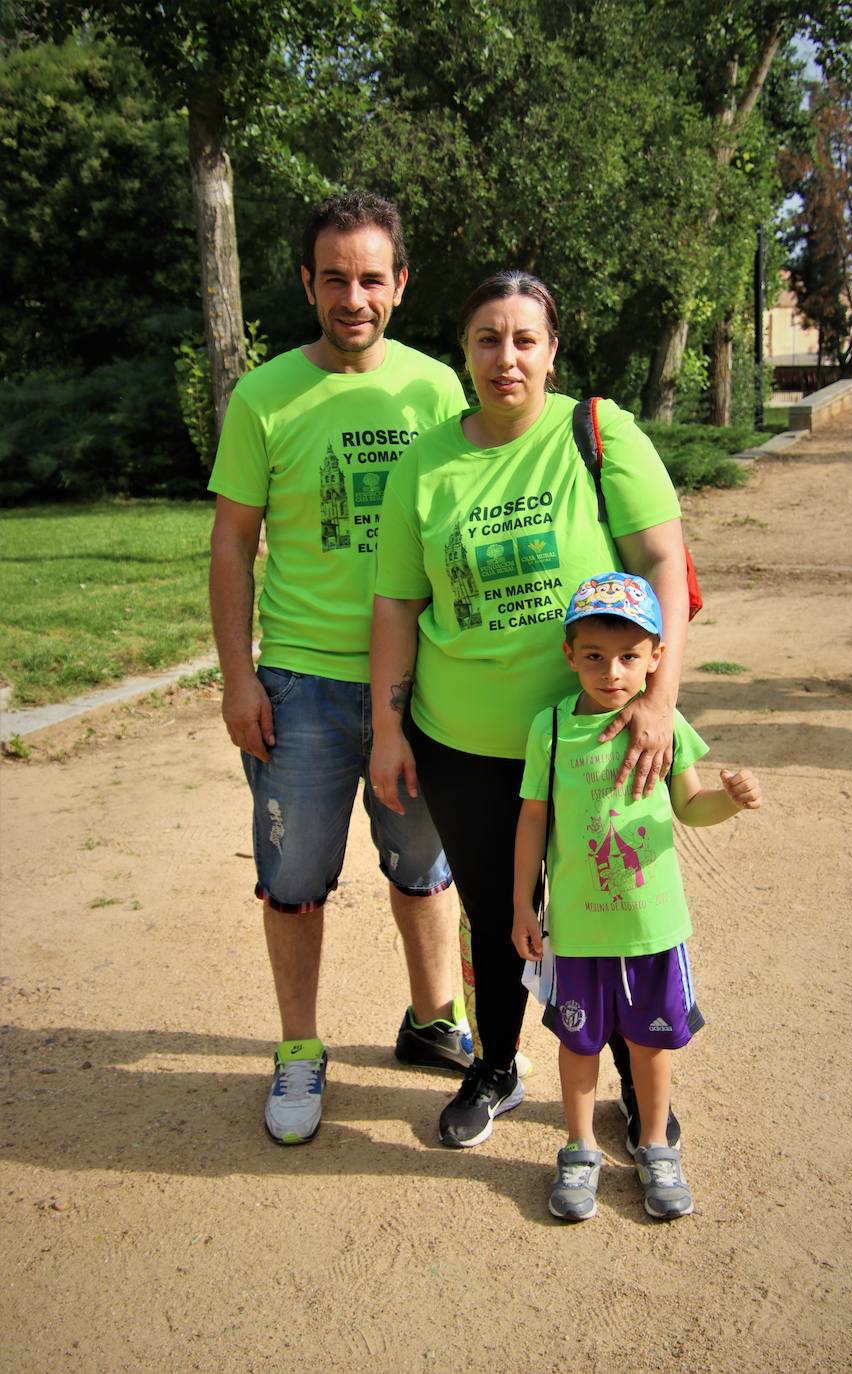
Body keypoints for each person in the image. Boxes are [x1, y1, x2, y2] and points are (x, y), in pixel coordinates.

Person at [370, 270, 690, 1150]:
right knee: (496, 910)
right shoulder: (424, 464)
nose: (504, 357)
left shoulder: (597, 433)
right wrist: (389, 728)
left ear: (551, 351)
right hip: (462, 741)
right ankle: (498, 1066)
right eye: (486, 338)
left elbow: (665, 561)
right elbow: (397, 604)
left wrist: (658, 704)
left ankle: (635, 1086)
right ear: (463, 350)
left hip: (592, 739)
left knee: (612, 910)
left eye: (523, 340)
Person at [208, 192, 471, 1146]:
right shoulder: (265, 394)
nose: (351, 295)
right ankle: (297, 1052)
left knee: (425, 866)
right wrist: (238, 677)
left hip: (422, 684)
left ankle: (434, 1019)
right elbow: (233, 543)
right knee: (295, 878)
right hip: (302, 687)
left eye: (371, 277)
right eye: (334, 277)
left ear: (400, 285)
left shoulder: (440, 389)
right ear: (309, 284)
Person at [513, 572, 762, 1221]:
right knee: (577, 1046)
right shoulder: (550, 727)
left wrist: (728, 803)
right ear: (569, 655)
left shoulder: (666, 722)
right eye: (593, 655)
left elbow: (691, 806)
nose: (611, 670)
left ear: (656, 656)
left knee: (650, 1048)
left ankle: (655, 1146)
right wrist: (522, 904)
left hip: (652, 929)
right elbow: (533, 820)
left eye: (629, 656)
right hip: (575, 929)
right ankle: (578, 1149)